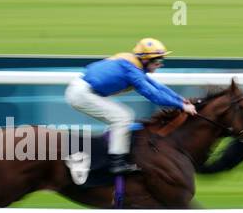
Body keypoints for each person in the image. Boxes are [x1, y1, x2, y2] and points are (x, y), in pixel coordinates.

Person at [65, 38, 196, 175]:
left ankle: (111, 150)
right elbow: (153, 95)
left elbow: (157, 86)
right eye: (157, 60)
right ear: (145, 60)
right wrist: (181, 105)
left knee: (122, 115)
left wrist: (180, 99)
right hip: (82, 93)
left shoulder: (133, 65)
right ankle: (116, 163)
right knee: (122, 117)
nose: (160, 64)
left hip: (84, 90)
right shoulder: (132, 70)